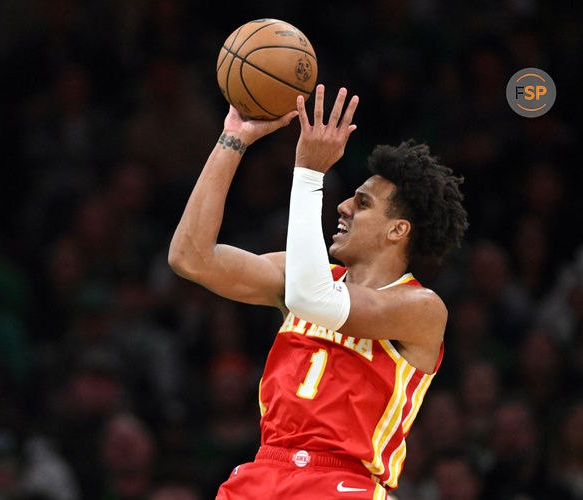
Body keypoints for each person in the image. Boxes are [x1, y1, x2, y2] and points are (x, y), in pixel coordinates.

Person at [168, 84, 468, 499]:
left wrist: (309, 173)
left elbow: (314, 300)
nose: (343, 206)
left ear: (398, 230)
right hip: (263, 472)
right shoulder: (302, 275)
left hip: (345, 484)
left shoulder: (420, 308)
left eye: (362, 204)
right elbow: (190, 258)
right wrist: (232, 140)